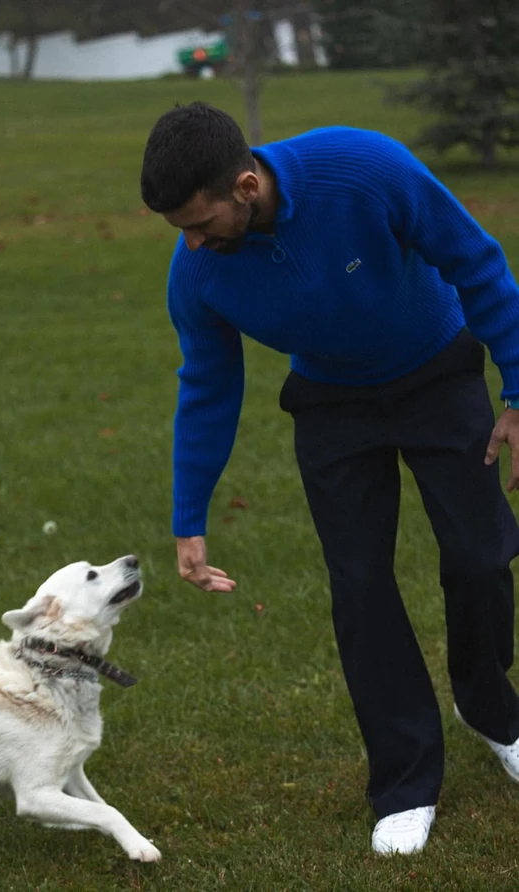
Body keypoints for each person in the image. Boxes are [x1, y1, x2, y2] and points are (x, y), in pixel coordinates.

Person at [139, 101, 519, 855]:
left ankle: (491, 710)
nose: (190, 241)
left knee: (481, 556)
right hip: (332, 406)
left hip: (437, 371)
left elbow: (474, 260)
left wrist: (517, 388)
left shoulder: (363, 168)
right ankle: (405, 781)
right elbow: (208, 388)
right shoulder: (199, 271)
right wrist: (190, 516)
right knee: (360, 584)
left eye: (197, 219)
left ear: (245, 185)